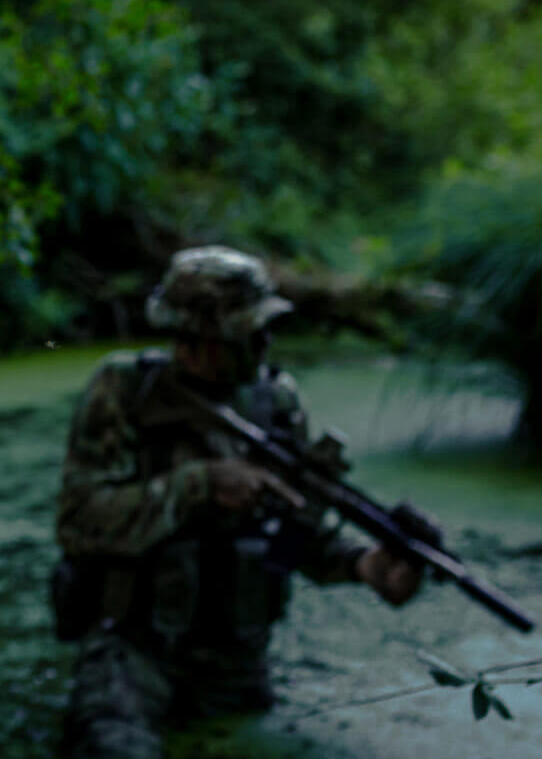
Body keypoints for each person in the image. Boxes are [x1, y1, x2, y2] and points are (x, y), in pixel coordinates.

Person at [53, 245, 423, 759]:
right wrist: (199, 485)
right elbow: (79, 522)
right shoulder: (124, 391)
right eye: (250, 333)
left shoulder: (278, 401)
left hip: (238, 664)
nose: (266, 343)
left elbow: (294, 535)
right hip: (135, 652)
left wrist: (366, 566)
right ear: (195, 341)